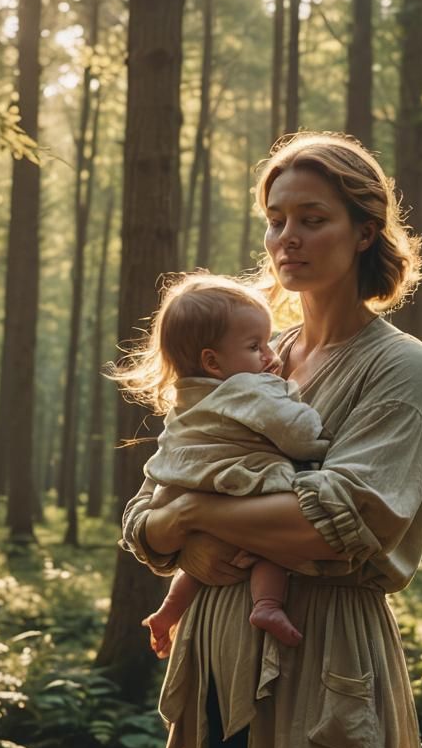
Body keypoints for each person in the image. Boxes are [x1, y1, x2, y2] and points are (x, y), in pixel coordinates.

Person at [121, 132, 422, 748]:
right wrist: (177, 527)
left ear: (365, 231)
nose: (287, 238)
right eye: (276, 218)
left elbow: (343, 518)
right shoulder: (254, 351)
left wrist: (195, 520)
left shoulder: (398, 365)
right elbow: (147, 506)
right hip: (216, 652)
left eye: (312, 218)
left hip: (321, 646)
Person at [112, 273, 329, 654]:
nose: (271, 357)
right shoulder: (248, 386)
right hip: (235, 483)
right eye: (256, 346)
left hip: (178, 486)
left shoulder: (183, 400)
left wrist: (186, 514)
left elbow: (149, 503)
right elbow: (297, 433)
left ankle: (168, 609)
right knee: (264, 542)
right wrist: (318, 434)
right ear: (212, 361)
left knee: (204, 558)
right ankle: (267, 604)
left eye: (267, 342)